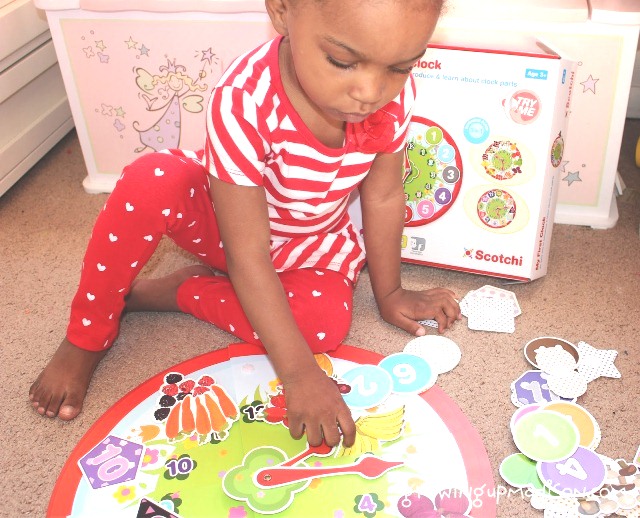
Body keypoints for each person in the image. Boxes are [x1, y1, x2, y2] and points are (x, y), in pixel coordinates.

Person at [29, 0, 460, 448]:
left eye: (400, 67)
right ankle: (87, 334)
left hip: (314, 239)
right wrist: (298, 374)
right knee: (152, 180)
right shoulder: (243, 98)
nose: (371, 91)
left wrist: (389, 294)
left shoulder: (393, 96)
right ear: (281, 11)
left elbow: (385, 195)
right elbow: (248, 251)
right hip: (229, 227)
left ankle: (179, 291)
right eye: (341, 61)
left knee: (322, 326)